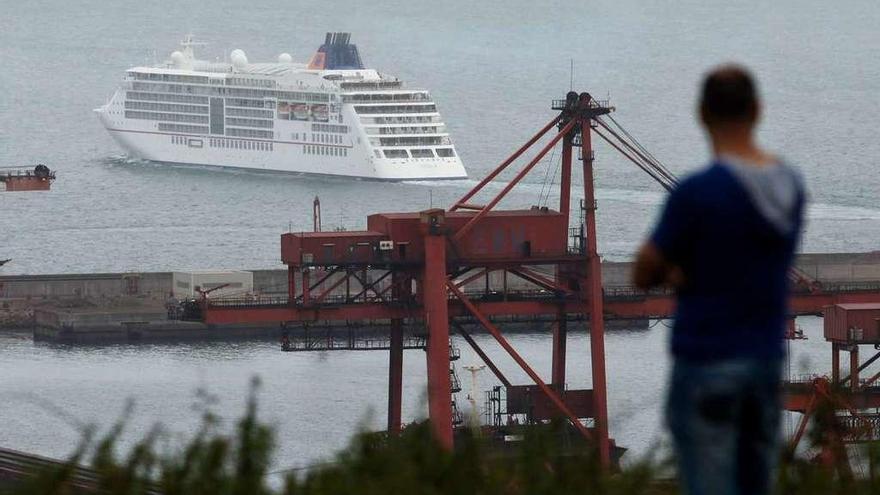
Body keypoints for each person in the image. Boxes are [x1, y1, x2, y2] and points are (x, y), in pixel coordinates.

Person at [633, 65, 806, 495]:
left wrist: (680, 272)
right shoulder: (790, 188)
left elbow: (643, 272)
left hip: (706, 363)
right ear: (758, 110)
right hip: (764, 364)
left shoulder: (696, 193)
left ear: (702, 114)